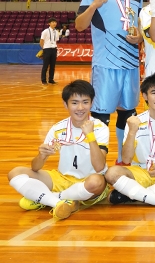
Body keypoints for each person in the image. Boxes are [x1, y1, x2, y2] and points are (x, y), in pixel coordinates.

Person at [75, 0, 144, 164]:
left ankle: (124, 161)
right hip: (105, 64)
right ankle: (98, 162)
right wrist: (94, 5)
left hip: (131, 64)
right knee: (101, 116)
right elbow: (79, 25)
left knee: (128, 114)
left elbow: (140, 27)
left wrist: (140, 37)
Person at [8, 80, 109, 220]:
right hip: (62, 178)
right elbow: (35, 167)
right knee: (15, 172)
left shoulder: (99, 128)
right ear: (65, 104)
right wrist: (41, 155)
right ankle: (59, 202)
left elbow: (99, 167)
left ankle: (42, 198)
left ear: (91, 103)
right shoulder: (58, 129)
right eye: (74, 103)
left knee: (96, 182)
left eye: (85, 102)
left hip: (88, 181)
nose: (80, 107)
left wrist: (90, 136)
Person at [105, 73, 155, 210]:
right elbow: (126, 158)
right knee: (111, 173)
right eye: (153, 93)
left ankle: (133, 194)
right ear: (145, 96)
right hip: (141, 171)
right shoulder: (135, 121)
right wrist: (131, 132)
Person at [40, 17, 60, 85]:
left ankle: (51, 79)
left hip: (54, 49)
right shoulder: (45, 31)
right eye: (53, 22)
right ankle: (43, 80)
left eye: (55, 22)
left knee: (52, 65)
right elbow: (41, 41)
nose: (54, 23)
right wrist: (44, 49)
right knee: (45, 65)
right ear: (49, 23)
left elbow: (56, 41)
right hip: (47, 49)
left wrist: (54, 48)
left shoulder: (56, 32)